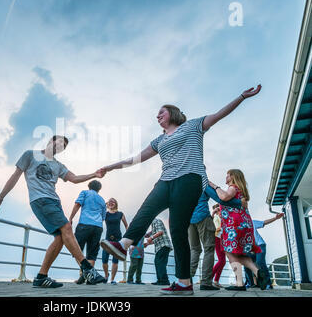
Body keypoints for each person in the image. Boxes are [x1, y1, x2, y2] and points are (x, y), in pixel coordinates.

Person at [99, 85, 262, 295]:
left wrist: (241, 97)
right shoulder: (159, 140)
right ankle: (124, 245)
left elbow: (220, 114)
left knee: (177, 230)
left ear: (173, 113)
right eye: (157, 114)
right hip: (166, 180)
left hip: (189, 180)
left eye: (161, 112)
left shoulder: (194, 126)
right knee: (146, 210)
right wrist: (111, 166)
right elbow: (136, 158)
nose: (157, 116)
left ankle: (184, 282)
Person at [0, 135, 106, 288]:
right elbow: (15, 175)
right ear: (51, 141)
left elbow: (75, 178)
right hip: (41, 199)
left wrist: (94, 174)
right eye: (60, 142)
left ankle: (41, 277)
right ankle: (87, 268)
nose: (61, 146)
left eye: (64, 146)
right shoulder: (30, 155)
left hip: (54, 201)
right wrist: (1, 196)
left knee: (60, 238)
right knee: (67, 228)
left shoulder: (58, 165)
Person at [209, 169, 268, 291]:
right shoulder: (241, 191)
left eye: (228, 175)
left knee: (229, 253)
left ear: (233, 177)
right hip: (244, 224)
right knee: (238, 254)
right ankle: (257, 271)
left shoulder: (233, 187)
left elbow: (224, 197)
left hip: (233, 226)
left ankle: (240, 283)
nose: (226, 176)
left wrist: (215, 186)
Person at [189, 184, 244, 290]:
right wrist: (239, 203)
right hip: (203, 217)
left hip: (189, 220)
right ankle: (205, 283)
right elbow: (221, 199)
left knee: (194, 249)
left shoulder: (187, 185)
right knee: (208, 249)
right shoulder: (203, 184)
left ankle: (187, 279)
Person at [68, 180, 107, 284]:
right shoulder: (102, 200)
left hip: (85, 224)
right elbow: (103, 217)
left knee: (76, 249)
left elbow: (77, 205)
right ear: (99, 189)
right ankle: (87, 277)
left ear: (89, 186)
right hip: (98, 227)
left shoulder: (85, 193)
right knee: (92, 253)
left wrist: (70, 218)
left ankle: (87, 273)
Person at [244, 213, 285, 289]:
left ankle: (268, 283)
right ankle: (250, 283)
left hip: (260, 245)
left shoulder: (251, 222)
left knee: (260, 262)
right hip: (250, 249)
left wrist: (275, 218)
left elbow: (264, 222)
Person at [102, 198, 128, 285]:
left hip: (118, 240)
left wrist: (127, 237)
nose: (111, 203)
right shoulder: (105, 214)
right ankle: (106, 275)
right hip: (108, 239)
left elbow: (126, 225)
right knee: (104, 260)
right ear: (107, 204)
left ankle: (112, 279)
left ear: (116, 204)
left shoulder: (120, 214)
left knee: (115, 260)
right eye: (109, 202)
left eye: (113, 202)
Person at [144, 217, 172, 286]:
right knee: (157, 262)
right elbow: (157, 239)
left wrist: (151, 237)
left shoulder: (156, 221)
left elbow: (160, 232)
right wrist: (147, 243)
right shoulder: (153, 226)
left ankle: (164, 281)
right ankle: (160, 280)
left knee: (160, 263)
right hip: (161, 246)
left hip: (164, 246)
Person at [211, 204, 226, 288]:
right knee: (221, 260)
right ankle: (209, 278)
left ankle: (216, 280)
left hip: (222, 239)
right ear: (216, 211)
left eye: (220, 209)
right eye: (218, 210)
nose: (220, 211)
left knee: (223, 261)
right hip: (217, 238)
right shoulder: (216, 218)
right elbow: (217, 228)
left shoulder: (221, 218)